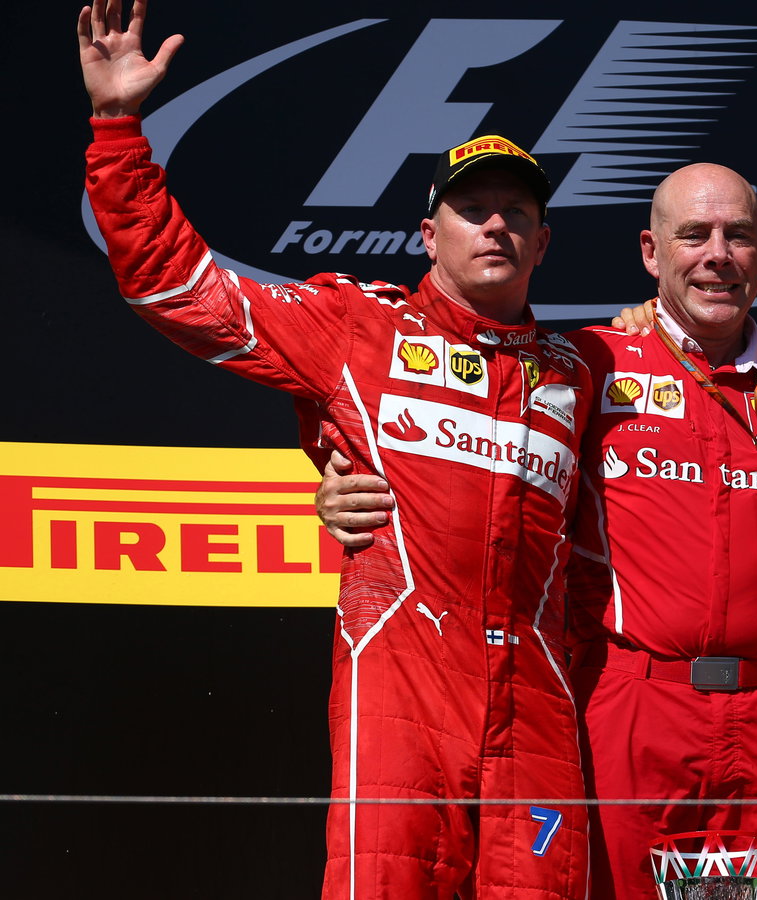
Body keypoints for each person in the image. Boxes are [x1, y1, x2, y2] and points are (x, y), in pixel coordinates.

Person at [78, 2, 590, 897]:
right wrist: (119, 130)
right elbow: (176, 287)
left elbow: (702, 380)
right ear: (429, 235)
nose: (495, 227)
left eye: (516, 212)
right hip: (402, 693)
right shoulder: (358, 327)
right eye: (472, 210)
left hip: (536, 711)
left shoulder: (588, 369)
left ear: (543, 241)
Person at [321, 163, 757, 900]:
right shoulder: (587, 364)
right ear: (650, 252)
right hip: (632, 703)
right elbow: (480, 469)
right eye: (693, 235)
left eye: (737, 236)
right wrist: (344, 475)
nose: (717, 255)